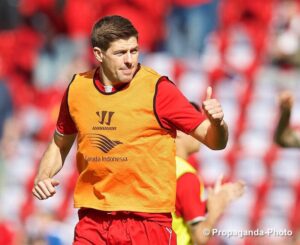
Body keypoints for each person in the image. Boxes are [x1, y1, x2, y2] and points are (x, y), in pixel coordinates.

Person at [32, 15, 228, 244]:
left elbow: (215, 141)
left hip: (147, 222)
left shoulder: (158, 89)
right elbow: (59, 143)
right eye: (120, 53)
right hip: (93, 221)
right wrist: (42, 175)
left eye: (134, 51)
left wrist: (218, 123)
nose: (129, 60)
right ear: (98, 54)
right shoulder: (77, 89)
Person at [173, 102, 245, 245]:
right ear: (179, 131)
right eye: (195, 124)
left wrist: (206, 205)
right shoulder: (186, 176)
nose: (201, 130)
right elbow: (200, 236)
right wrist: (217, 208)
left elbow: (176, 209)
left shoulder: (158, 165)